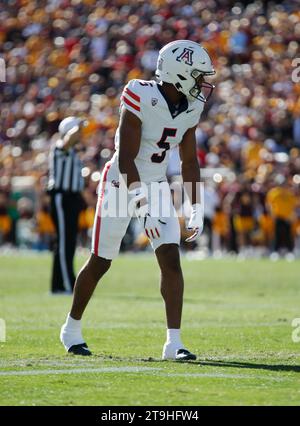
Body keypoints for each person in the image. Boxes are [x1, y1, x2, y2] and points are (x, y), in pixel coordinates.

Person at [60, 40, 215, 360]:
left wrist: (195, 205)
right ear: (179, 74)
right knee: (101, 261)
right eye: (197, 75)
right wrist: (139, 199)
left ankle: (174, 343)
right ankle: (71, 328)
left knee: (171, 258)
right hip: (121, 181)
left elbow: (189, 161)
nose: (202, 83)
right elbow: (126, 157)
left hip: (156, 182)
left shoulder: (191, 106)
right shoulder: (140, 94)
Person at [48, 117, 85, 294]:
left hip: (72, 199)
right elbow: (66, 142)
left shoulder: (73, 152)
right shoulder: (60, 147)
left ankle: (58, 285)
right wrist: (74, 128)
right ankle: (68, 284)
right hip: (62, 197)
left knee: (68, 242)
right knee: (64, 243)